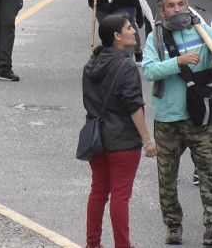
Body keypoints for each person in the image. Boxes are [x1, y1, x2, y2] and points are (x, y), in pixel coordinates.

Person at [141, 0, 212, 247]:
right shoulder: (156, 37)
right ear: (162, 11)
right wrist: (178, 62)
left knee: (209, 172)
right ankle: (173, 226)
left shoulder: (201, 29)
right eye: (171, 6)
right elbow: (150, 70)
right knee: (167, 176)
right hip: (168, 118)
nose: (177, 9)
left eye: (181, 4)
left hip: (201, 116)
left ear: (187, 5)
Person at [82, 14, 155, 248]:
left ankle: (93, 244)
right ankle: (122, 245)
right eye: (128, 28)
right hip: (122, 140)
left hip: (96, 139)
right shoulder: (126, 66)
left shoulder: (91, 64)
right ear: (116, 36)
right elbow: (133, 105)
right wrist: (147, 140)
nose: (134, 30)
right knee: (120, 196)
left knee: (98, 193)